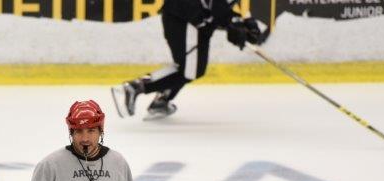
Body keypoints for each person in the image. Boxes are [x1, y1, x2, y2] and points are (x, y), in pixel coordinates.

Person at [111, 0, 269, 120]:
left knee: (190, 68)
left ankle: (162, 100)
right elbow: (217, 9)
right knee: (191, 70)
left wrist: (246, 24)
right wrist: (234, 28)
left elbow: (223, 8)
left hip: (189, 18)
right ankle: (135, 88)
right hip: (186, 18)